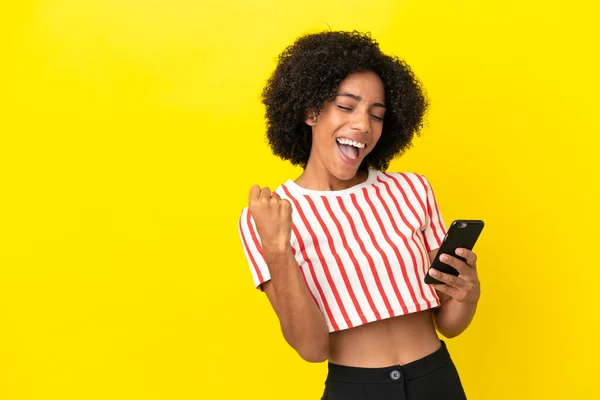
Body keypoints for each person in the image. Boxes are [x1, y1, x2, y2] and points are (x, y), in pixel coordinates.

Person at [237, 30, 480, 400]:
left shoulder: (412, 190)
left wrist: (468, 294)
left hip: (438, 381)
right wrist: (277, 250)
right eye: (347, 107)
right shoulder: (270, 216)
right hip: (356, 390)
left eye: (377, 114)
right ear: (309, 110)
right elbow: (311, 349)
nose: (363, 126)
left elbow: (449, 325)